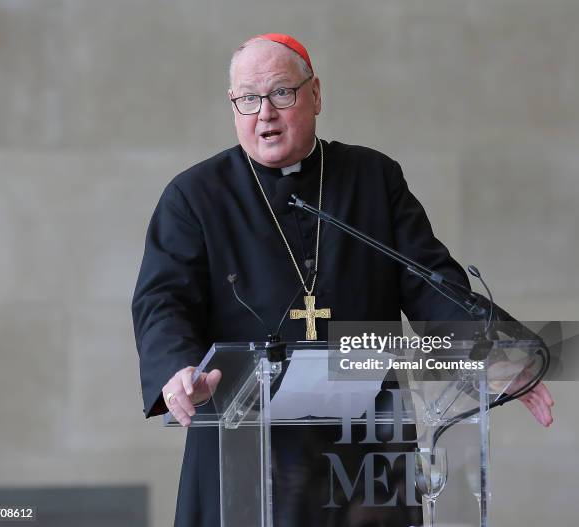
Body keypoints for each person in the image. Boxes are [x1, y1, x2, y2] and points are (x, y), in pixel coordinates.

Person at [132, 33, 554, 527]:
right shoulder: (194, 196)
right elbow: (163, 301)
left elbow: (430, 282)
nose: (264, 112)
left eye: (281, 93)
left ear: (315, 94)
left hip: (363, 456)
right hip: (246, 448)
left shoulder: (372, 178)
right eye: (247, 98)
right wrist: (179, 369)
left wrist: (496, 350)